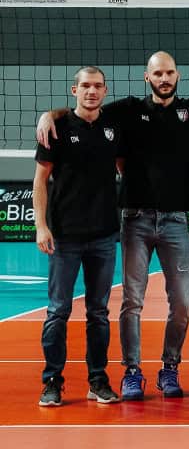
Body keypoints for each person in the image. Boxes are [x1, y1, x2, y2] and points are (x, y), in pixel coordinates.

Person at [36, 52, 189, 400]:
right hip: (134, 219)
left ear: (177, 75)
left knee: (182, 302)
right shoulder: (125, 110)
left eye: (169, 73)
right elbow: (85, 110)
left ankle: (170, 367)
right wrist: (50, 114)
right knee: (131, 302)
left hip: (176, 220)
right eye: (158, 73)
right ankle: (131, 372)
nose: (164, 78)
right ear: (147, 77)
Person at [33, 67, 121, 406]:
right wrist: (41, 226)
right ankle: (52, 381)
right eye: (85, 85)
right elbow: (40, 181)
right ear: (74, 90)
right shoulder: (56, 128)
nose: (91, 91)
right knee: (58, 311)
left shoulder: (114, 127)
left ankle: (97, 380)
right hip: (65, 237)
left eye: (98, 86)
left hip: (103, 236)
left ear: (105, 91)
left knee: (99, 313)